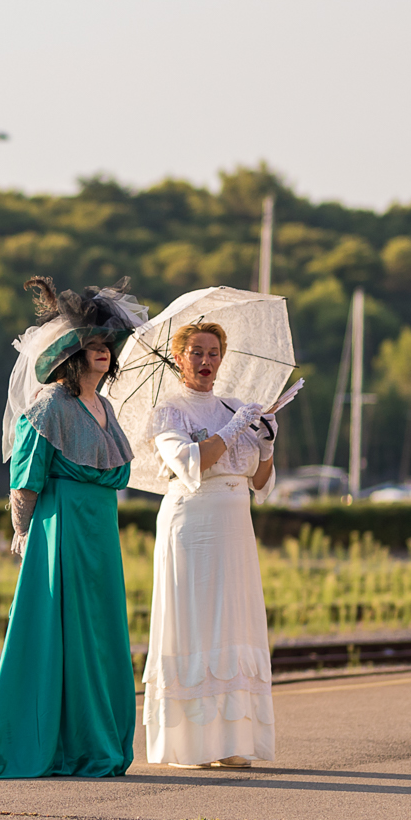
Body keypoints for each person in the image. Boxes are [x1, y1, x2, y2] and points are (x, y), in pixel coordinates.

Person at [0, 277, 146, 781]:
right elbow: (25, 483)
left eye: (108, 346)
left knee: (98, 636)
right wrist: (23, 534)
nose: (103, 353)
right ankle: (48, 743)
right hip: (58, 534)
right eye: (93, 345)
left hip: (101, 535)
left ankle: (92, 743)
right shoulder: (48, 407)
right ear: (72, 355)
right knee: (54, 634)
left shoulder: (106, 409)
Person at [140, 320, 279, 768]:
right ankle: (194, 744)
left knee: (234, 622)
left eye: (214, 352)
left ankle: (234, 740)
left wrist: (268, 440)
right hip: (193, 524)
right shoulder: (169, 411)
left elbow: (260, 482)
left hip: (236, 524)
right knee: (198, 622)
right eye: (197, 352)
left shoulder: (234, 405)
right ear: (179, 357)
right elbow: (189, 464)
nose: (206, 361)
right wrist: (234, 428)